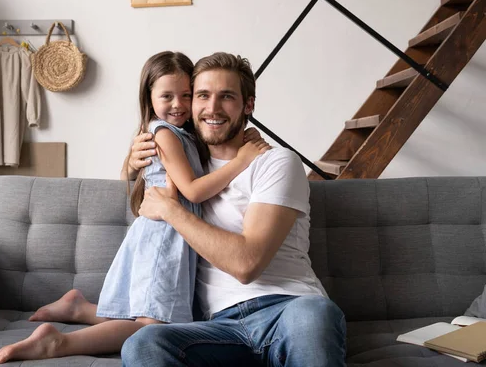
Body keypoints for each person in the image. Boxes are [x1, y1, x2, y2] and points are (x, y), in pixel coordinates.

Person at [0, 51, 269, 364]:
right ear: (149, 97)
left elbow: (154, 174)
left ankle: (79, 309)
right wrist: (244, 160)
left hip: (174, 235)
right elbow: (193, 191)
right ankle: (59, 343)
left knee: (165, 317)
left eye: (186, 95)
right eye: (167, 96)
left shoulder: (186, 135)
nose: (178, 104)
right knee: (154, 326)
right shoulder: (163, 133)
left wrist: (245, 140)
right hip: (164, 237)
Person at [121, 52, 347, 367]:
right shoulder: (189, 164)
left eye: (226, 97)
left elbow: (246, 263)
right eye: (202, 95)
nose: (212, 108)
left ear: (248, 105)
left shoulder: (276, 162)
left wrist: (172, 211)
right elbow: (140, 191)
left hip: (289, 309)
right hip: (218, 327)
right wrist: (133, 165)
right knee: (143, 345)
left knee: (314, 315)